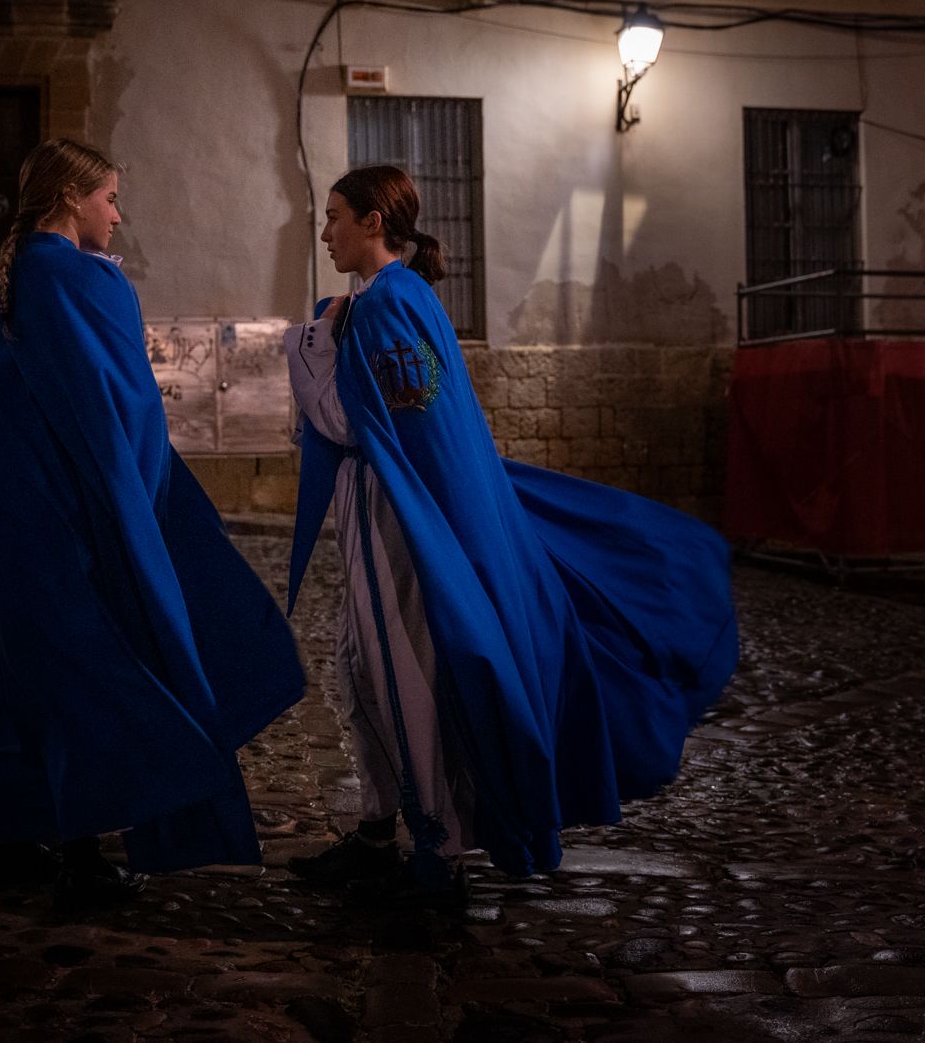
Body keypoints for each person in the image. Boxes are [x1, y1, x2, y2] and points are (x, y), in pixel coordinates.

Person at [283, 165, 737, 907]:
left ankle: (438, 855)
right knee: (362, 670)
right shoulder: (389, 299)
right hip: (385, 507)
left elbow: (352, 423)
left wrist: (307, 344)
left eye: (335, 215)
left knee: (403, 676)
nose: (325, 231)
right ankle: (377, 830)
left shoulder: (386, 305)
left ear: (372, 222)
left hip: (400, 516)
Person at [0, 138, 304, 911]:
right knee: (102, 668)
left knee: (30, 669)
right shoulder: (81, 278)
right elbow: (120, 408)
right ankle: (82, 847)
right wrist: (140, 509)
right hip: (78, 508)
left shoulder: (3, 277)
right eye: (111, 198)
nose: (118, 216)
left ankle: (15, 833)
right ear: (70, 196)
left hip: (17, 506)